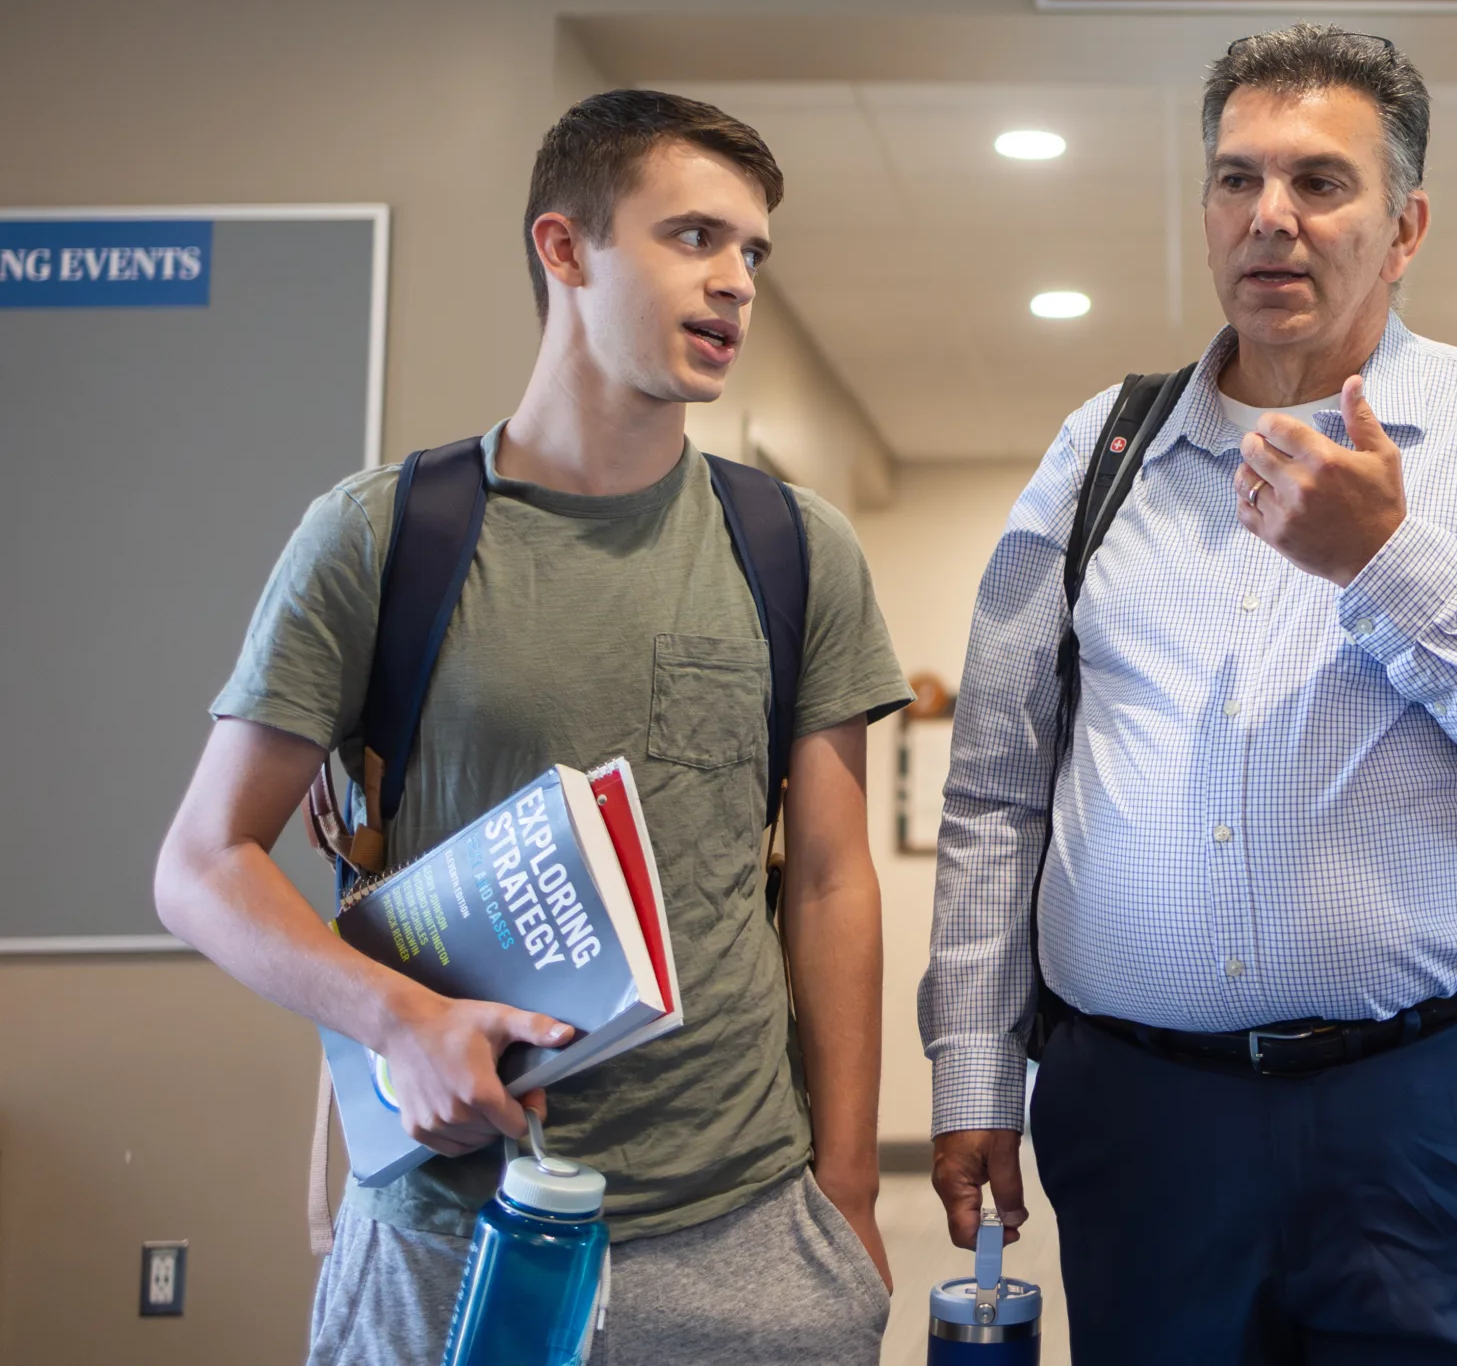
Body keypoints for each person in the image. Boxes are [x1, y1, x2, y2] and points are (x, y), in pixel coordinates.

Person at [921, 23, 1457, 1363]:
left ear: (1405, 226)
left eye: (1320, 182)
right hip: (1146, 1123)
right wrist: (975, 1069)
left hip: (1442, 1117)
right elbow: (995, 784)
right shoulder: (1103, 449)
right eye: (1236, 179)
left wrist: (1390, 564)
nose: (1270, 216)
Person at [154, 89, 913, 1364]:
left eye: (753, 252)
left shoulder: (793, 546)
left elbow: (833, 881)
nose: (735, 281)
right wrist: (402, 1019)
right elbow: (201, 862)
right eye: (693, 238)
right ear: (563, 248)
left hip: (741, 1227)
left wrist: (844, 1193)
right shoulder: (383, 534)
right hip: (454, 1229)